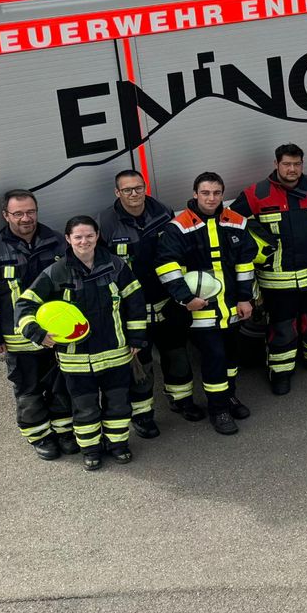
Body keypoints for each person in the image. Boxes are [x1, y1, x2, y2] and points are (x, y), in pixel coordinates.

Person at [16, 216, 150, 471]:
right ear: (68, 239)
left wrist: (136, 338)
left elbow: (135, 300)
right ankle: (91, 449)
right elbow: (25, 304)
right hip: (75, 360)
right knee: (84, 407)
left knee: (118, 403)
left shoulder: (115, 265)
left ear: (97, 235)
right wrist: (36, 332)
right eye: (77, 236)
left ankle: (118, 445)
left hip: (115, 353)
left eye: (89, 235)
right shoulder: (57, 271)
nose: (84, 241)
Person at [234, 143, 307, 394]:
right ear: (276, 165)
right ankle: (281, 371)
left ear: (302, 165)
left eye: (297, 164)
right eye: (286, 164)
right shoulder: (256, 194)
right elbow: (233, 226)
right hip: (277, 280)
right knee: (282, 328)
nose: (292, 169)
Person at [155, 173, 258, 435]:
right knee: (215, 358)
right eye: (205, 193)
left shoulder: (236, 222)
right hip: (201, 311)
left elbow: (245, 264)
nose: (211, 198)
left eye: (216, 193)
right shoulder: (178, 227)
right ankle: (218, 410)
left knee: (232, 358)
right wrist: (186, 298)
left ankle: (230, 396)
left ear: (223, 194)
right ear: (195, 194)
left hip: (232, 307)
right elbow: (167, 266)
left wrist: (245, 297)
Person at [0, 190, 73, 459]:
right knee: (28, 389)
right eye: (18, 213)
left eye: (30, 211)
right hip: (18, 339)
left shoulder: (56, 243)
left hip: (55, 335)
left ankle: (64, 430)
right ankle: (39, 435)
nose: (26, 218)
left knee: (60, 383)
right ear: (6, 215)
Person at [98, 170, 188, 432]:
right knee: (140, 363)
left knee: (177, 353)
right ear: (118, 193)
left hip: (165, 300)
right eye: (127, 190)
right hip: (131, 309)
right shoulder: (105, 222)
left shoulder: (162, 211)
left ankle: (181, 400)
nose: (134, 194)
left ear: (145, 187)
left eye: (138, 188)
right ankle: (143, 415)